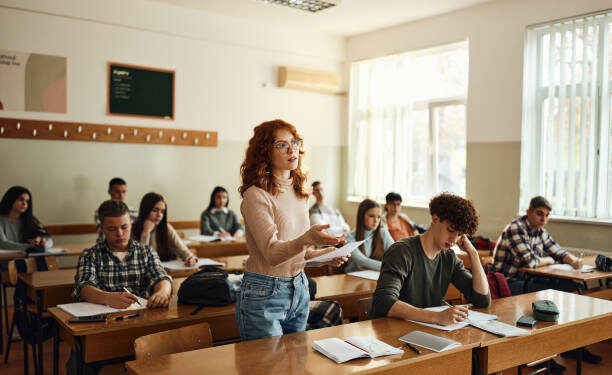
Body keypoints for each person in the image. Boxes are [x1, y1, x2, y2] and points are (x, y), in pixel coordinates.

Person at [237, 119, 349, 341]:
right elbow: (272, 253)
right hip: (264, 293)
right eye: (282, 145)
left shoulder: (300, 193)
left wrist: (326, 256)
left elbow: (300, 253)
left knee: (295, 367)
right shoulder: (256, 195)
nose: (292, 149)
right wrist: (308, 238)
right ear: (264, 152)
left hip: (299, 287)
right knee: (269, 369)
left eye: (295, 142)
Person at [69, 200, 172, 375]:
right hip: (103, 331)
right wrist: (108, 298)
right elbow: (84, 287)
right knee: (80, 363)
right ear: (102, 229)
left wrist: (162, 292)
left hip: (143, 327)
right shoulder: (91, 255)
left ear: (131, 224)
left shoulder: (145, 252)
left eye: (124, 227)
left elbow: (162, 278)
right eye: (112, 229)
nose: (120, 233)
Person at [372, 193, 490, 326]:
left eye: (460, 235)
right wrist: (436, 317)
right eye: (451, 230)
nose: (454, 240)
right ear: (435, 219)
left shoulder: (449, 257)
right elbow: (383, 302)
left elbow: (482, 300)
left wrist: (473, 253)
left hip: (426, 331)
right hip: (392, 331)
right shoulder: (401, 251)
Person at [494, 196, 584, 295]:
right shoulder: (515, 228)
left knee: (573, 286)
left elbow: (558, 252)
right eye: (539, 214)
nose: (543, 219)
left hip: (528, 278)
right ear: (528, 212)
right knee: (552, 293)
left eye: (547, 215)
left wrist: (573, 260)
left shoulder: (540, 231)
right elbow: (531, 262)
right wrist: (550, 260)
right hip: (507, 282)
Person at [132, 192, 197, 266]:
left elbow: (185, 253)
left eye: (162, 211)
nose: (159, 215)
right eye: (155, 210)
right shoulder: (132, 229)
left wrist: (191, 259)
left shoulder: (166, 228)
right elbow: (139, 261)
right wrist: (146, 232)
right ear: (145, 210)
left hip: (165, 272)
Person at [344, 199, 394, 273]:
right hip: (353, 278)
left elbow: (396, 255)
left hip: (375, 277)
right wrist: (390, 267)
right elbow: (361, 261)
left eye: (379, 217)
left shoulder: (383, 233)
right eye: (371, 216)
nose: (376, 220)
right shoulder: (348, 237)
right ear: (361, 216)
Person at [0, 186, 53, 250]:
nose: (24, 203)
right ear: (10, 199)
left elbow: (49, 240)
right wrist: (30, 246)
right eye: (21, 199)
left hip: (28, 258)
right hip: (6, 259)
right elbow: (3, 244)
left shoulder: (31, 221)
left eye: (27, 201)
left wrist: (42, 243)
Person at [94, 177, 138, 242]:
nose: (121, 195)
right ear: (109, 192)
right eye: (117, 192)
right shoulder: (100, 212)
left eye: (124, 192)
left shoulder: (134, 212)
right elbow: (104, 236)